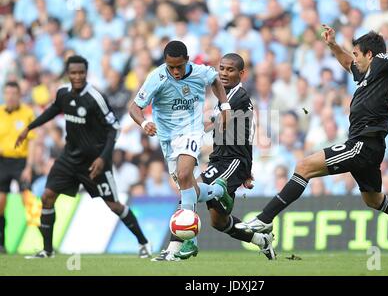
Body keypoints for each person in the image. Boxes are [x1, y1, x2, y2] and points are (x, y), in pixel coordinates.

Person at [236, 24, 388, 257]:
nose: (353, 59)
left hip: (363, 144)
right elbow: (346, 62)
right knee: (373, 199)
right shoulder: (365, 74)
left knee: (304, 166)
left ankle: (264, 219)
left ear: (369, 54)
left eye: (357, 54)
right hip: (369, 146)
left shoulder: (382, 63)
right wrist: (333, 45)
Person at [15, 55, 151, 258]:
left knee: (114, 205)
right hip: (69, 159)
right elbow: (52, 110)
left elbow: (114, 128)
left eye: (81, 73)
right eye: (73, 73)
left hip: (95, 162)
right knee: (47, 196)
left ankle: (143, 242)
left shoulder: (95, 98)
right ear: (68, 74)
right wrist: (29, 127)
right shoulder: (63, 94)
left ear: (86, 73)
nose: (77, 76)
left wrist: (103, 158)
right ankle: (48, 250)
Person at [152, 53, 275, 261]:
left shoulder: (239, 97)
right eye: (222, 69)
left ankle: (176, 248)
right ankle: (262, 240)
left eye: (230, 70)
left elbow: (218, 125)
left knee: (189, 190)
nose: (224, 73)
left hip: (232, 161)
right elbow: (245, 133)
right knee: (218, 222)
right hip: (224, 160)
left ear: (241, 73)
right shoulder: (223, 96)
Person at [129, 41, 233, 255]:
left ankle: (190, 242)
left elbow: (215, 80)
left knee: (185, 174)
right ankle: (218, 190)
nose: (175, 71)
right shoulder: (157, 77)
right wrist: (144, 122)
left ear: (187, 60)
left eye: (179, 66)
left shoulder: (200, 71)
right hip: (167, 137)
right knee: (189, 189)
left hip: (191, 130)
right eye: (170, 67)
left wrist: (225, 105)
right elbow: (134, 107)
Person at [0, 81, 36, 254]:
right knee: (0, 203)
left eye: (14, 93)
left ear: (19, 95)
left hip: (21, 162)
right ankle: (1, 243)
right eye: (7, 93)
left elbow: (33, 142)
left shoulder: (27, 113)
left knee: (28, 200)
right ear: (4, 95)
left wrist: (29, 166)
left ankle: (44, 242)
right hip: (2, 162)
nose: (11, 96)